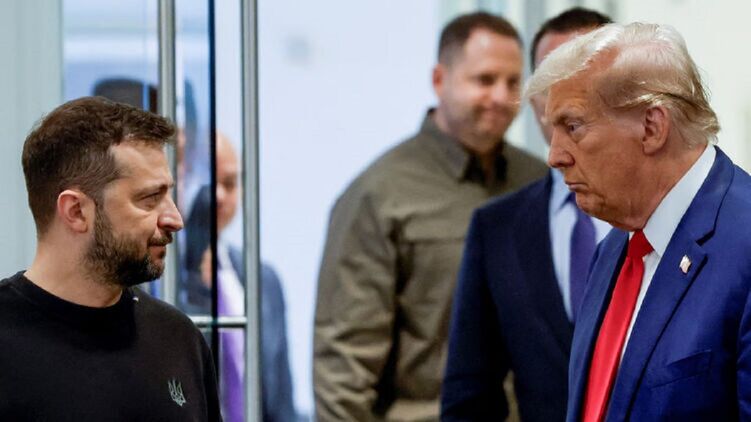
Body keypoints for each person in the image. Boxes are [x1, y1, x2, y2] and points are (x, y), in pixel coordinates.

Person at [313, 12, 549, 421]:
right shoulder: (379, 195)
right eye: (484, 80)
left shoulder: (541, 183)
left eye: (513, 82)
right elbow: (344, 363)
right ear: (440, 80)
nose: (500, 96)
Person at [526, 22, 751, 420]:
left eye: (573, 127)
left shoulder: (744, 243)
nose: (555, 156)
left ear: (651, 127)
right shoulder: (614, 248)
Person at [0, 96, 221, 420]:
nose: (174, 219)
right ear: (76, 211)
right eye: (150, 199)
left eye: (169, 194)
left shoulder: (178, 339)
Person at [441, 8, 612, 422]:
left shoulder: (664, 216)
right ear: (533, 98)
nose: (568, 98)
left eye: (586, 79)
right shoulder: (496, 228)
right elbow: (470, 395)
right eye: (551, 81)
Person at [181, 134, 297, 422]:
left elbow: (282, 400)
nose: (219, 196)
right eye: (208, 182)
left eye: (230, 183)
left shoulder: (264, 281)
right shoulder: (158, 281)